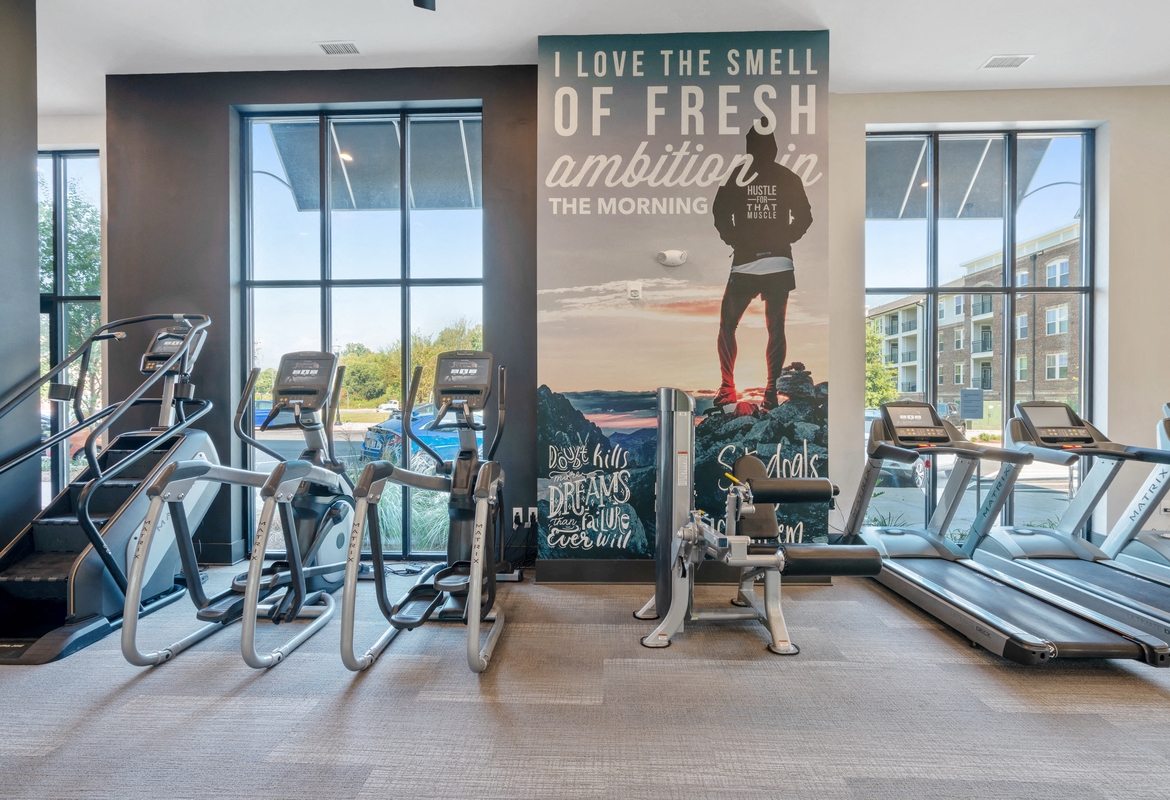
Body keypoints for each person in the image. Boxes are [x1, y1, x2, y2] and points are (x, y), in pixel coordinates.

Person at [711, 119, 813, 410]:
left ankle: (728, 388)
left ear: (749, 148)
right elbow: (805, 217)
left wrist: (736, 241)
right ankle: (769, 392)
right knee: (776, 328)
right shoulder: (788, 177)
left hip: (745, 262)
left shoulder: (737, 175)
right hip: (779, 262)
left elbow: (719, 212)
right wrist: (784, 240)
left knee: (727, 325)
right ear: (774, 147)